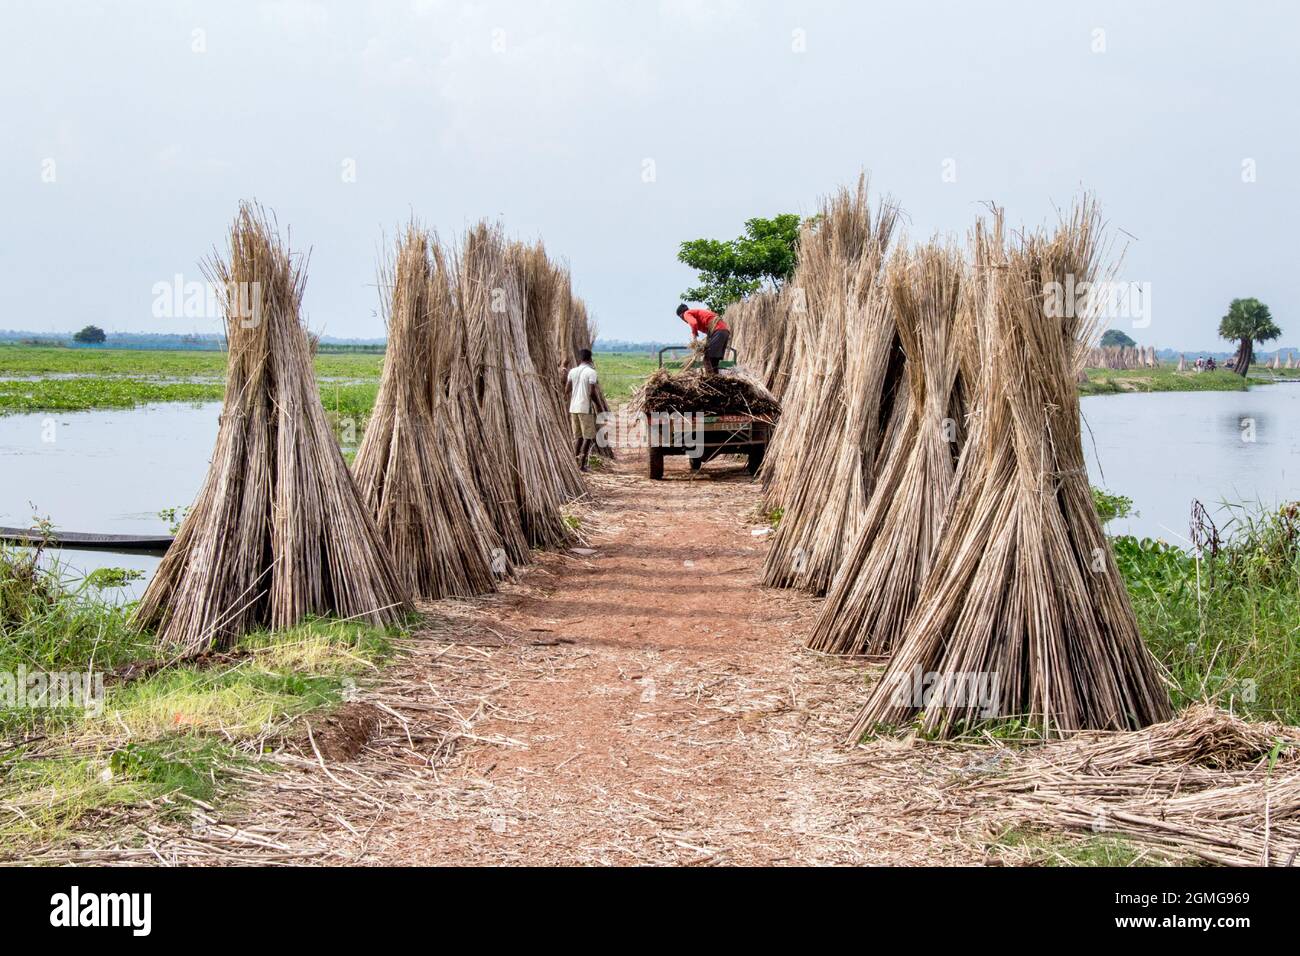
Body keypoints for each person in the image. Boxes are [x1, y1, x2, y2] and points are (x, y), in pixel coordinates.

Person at [566, 349, 599, 472]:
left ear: (580, 359)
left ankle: (575, 462)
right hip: (585, 408)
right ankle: (581, 465)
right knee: (588, 436)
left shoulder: (572, 371)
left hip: (573, 408)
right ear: (590, 359)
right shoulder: (591, 372)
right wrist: (598, 405)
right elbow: (592, 393)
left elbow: (567, 390)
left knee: (578, 436)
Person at [676, 303, 730, 374]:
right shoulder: (696, 313)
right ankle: (717, 377)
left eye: (681, 318)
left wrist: (694, 339)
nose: (683, 320)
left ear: (681, 315)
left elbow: (693, 323)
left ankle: (712, 378)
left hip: (718, 331)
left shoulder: (686, 313)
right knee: (716, 359)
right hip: (724, 331)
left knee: (708, 358)